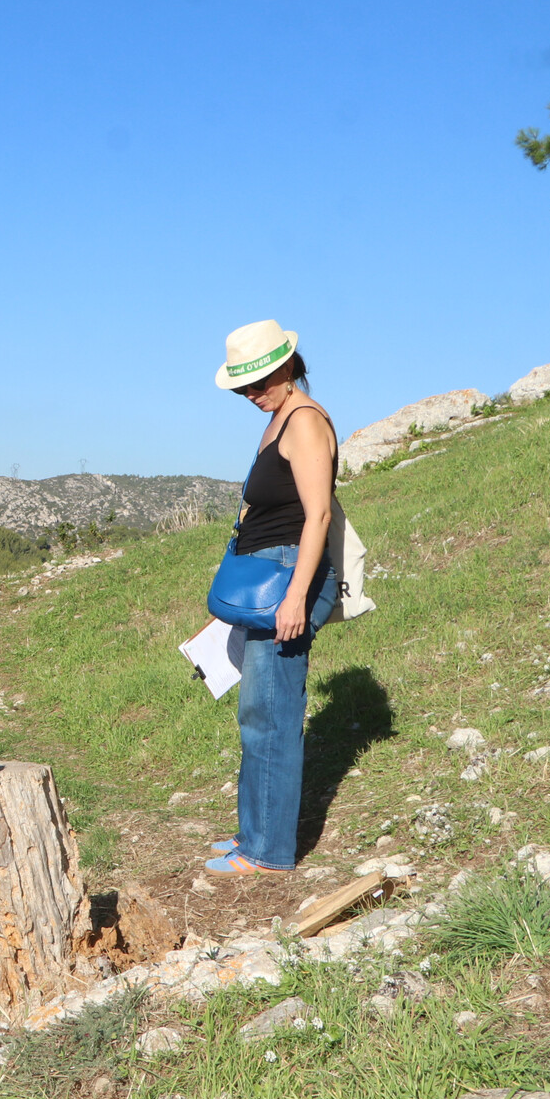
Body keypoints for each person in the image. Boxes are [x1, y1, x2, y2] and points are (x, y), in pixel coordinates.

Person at [206, 320, 340, 876]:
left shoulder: (304, 422)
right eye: (243, 388)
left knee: (273, 716)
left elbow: (319, 515)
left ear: (288, 366)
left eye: (258, 383)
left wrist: (296, 597)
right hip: (267, 574)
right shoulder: (278, 418)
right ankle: (251, 835)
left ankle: (267, 852)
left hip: (288, 577)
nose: (251, 395)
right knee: (258, 711)